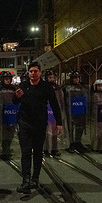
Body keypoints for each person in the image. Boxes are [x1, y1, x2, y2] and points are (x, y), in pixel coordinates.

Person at [13, 62, 62, 194]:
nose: (33, 73)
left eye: (35, 71)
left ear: (40, 72)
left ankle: (35, 178)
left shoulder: (46, 87)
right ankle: (26, 180)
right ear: (28, 73)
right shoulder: (23, 86)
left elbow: (54, 105)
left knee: (38, 152)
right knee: (26, 152)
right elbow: (15, 101)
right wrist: (16, 97)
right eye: (31, 71)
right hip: (25, 124)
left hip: (40, 124)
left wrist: (59, 122)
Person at [63, 70, 88, 153]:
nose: (76, 80)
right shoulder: (67, 88)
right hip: (69, 111)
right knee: (70, 127)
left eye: (77, 78)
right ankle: (70, 143)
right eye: (74, 78)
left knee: (80, 127)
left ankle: (78, 142)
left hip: (80, 110)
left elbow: (86, 99)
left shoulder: (83, 88)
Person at [0, 71, 17, 160]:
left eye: (9, 79)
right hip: (1, 113)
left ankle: (7, 149)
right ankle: (4, 150)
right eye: (6, 79)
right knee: (3, 133)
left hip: (11, 113)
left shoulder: (13, 88)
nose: (8, 81)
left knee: (11, 132)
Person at [44, 70, 62, 157]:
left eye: (52, 77)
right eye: (49, 77)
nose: (51, 79)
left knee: (54, 133)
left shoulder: (57, 87)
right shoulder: (44, 86)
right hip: (46, 111)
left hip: (54, 112)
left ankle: (54, 149)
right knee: (46, 133)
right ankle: (46, 150)